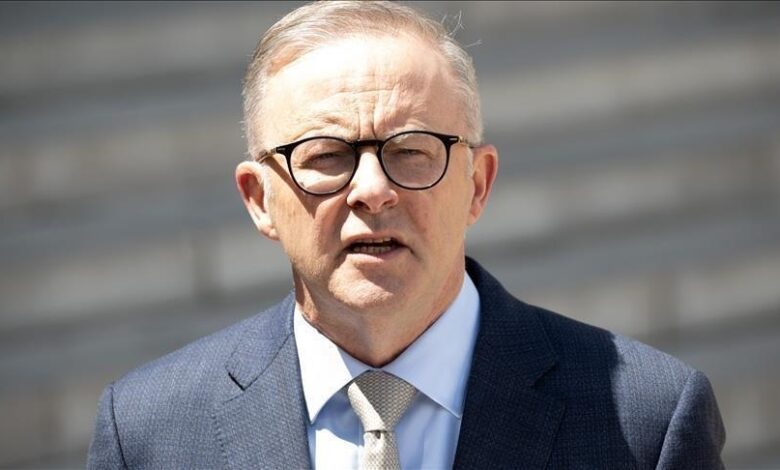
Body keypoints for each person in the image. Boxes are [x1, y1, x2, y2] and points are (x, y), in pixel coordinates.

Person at [87, 1, 725, 468]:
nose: (371, 189)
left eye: (413, 150)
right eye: (325, 154)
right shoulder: (149, 432)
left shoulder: (647, 422)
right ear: (260, 200)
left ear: (477, 184)